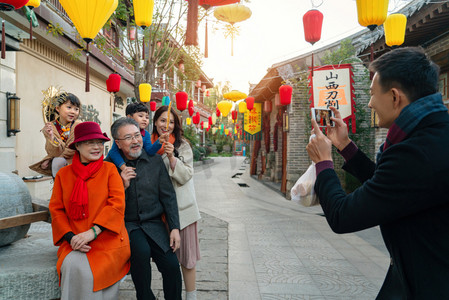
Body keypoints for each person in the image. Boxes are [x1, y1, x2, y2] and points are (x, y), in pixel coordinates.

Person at [306, 47, 449, 299]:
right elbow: (389, 185)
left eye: (372, 94)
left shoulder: (416, 152)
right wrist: (345, 147)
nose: (370, 103)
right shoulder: (432, 134)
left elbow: (343, 216)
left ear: (395, 97)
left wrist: (323, 162)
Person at [48, 121, 130, 299]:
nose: (96, 147)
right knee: (72, 265)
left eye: (99, 142)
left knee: (92, 271)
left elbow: (117, 204)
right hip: (75, 240)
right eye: (90, 142)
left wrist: (93, 232)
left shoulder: (109, 170)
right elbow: (56, 210)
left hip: (107, 237)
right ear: (77, 145)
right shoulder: (64, 174)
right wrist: (70, 237)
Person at [106, 117, 182, 300]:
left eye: (137, 135)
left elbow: (168, 196)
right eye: (128, 138)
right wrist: (121, 184)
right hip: (128, 225)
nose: (135, 141)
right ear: (118, 143)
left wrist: (174, 228)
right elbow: (106, 203)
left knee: (171, 265)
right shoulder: (109, 166)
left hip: (154, 224)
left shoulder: (155, 161)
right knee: (141, 253)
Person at [152, 106, 201, 300]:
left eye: (171, 122)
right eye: (163, 121)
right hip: (158, 213)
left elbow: (187, 175)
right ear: (155, 122)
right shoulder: (149, 145)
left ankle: (191, 296)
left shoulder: (182, 146)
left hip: (183, 212)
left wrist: (172, 156)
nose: (167, 125)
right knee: (167, 261)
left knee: (187, 259)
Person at [29, 92, 82, 177]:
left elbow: (72, 148)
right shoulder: (51, 127)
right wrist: (51, 137)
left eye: (76, 109)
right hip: (60, 164)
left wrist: (49, 158)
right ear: (57, 108)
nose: (73, 112)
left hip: (76, 161)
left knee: (58, 160)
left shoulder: (78, 125)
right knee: (58, 162)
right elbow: (52, 151)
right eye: (69, 107)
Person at [108, 102, 167, 171]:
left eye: (147, 117)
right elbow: (113, 152)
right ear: (129, 117)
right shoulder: (122, 135)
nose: (145, 119)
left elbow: (150, 151)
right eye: (141, 116)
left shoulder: (146, 134)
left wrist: (159, 142)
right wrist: (123, 167)